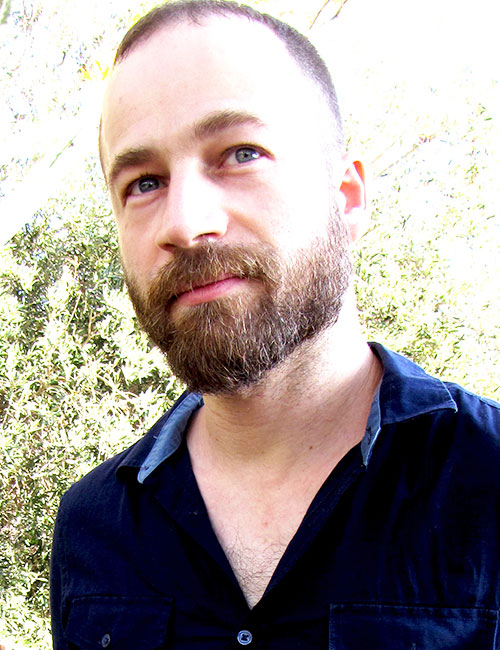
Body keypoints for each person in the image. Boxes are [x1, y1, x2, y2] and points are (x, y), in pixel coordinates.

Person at [50, 1, 500, 648]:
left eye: (241, 153)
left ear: (345, 196)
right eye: (144, 183)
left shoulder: (488, 482)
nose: (185, 222)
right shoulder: (92, 526)